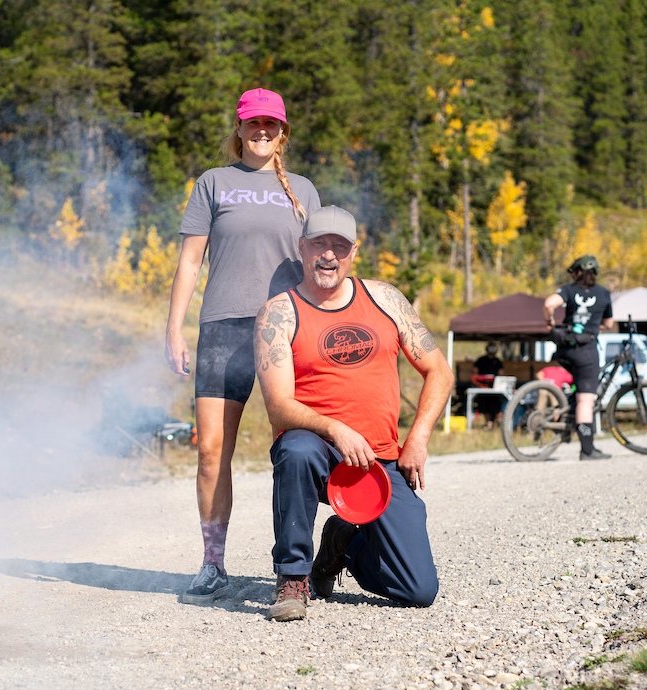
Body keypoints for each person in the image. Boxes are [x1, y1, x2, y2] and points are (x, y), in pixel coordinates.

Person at [253, 206, 453, 621]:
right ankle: (293, 578)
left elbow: (439, 371)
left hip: (379, 459)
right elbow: (278, 405)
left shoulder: (385, 299)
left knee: (418, 590)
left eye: (339, 247)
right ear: (302, 247)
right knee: (297, 451)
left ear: (354, 252)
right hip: (318, 451)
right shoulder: (279, 313)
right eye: (320, 244)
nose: (329, 255)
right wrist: (334, 429)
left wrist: (416, 440)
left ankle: (339, 548)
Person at [166, 88, 321, 604]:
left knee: (295, 451)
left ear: (283, 132)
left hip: (286, 328)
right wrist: (174, 329)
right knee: (211, 452)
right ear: (238, 129)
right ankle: (212, 564)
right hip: (223, 328)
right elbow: (190, 262)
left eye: (270, 125)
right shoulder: (213, 183)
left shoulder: (302, 190)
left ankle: (293, 569)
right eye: (252, 125)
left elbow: (324, 265)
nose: (261, 133)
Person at [543, 254, 615, 460]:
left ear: (577, 272)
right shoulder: (603, 293)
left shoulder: (568, 290)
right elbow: (609, 324)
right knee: (586, 400)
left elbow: (549, 304)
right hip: (586, 350)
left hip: (564, 349)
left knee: (578, 392)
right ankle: (587, 449)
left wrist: (549, 321)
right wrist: (593, 324)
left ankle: (568, 415)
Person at [472, 342, 505, 428]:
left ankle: (495, 422)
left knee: (496, 403)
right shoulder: (481, 360)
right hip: (482, 387)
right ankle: (488, 423)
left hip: (495, 387)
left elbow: (501, 374)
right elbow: (475, 373)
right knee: (483, 403)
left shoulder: (497, 361)